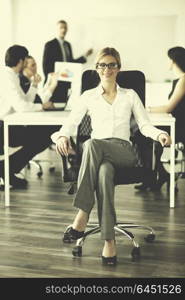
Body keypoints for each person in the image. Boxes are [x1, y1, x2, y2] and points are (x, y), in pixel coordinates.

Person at [51, 47, 171, 266]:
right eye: (102, 65)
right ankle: (109, 241)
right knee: (104, 171)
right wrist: (61, 137)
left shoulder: (129, 95)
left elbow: (144, 125)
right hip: (98, 155)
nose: (107, 69)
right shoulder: (88, 97)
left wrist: (160, 133)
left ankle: (82, 214)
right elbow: (69, 124)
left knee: (91, 144)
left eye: (112, 64)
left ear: (118, 68)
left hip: (124, 150)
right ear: (97, 69)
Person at [0, 45, 59, 188]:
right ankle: (6, 168)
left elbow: (26, 101)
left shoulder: (11, 75)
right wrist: (43, 106)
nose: (27, 63)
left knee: (47, 132)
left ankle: (7, 168)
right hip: (3, 128)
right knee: (46, 134)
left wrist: (34, 85)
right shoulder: (7, 76)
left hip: (10, 124)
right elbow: (22, 106)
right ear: (21, 61)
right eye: (26, 60)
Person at [136, 46, 185, 191]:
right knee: (145, 136)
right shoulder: (179, 80)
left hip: (180, 127)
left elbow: (169, 108)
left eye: (169, 59)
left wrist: (146, 109)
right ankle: (158, 175)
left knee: (141, 135)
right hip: (176, 123)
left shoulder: (183, 80)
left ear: (174, 61)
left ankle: (155, 175)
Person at [42, 20, 93, 102]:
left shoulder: (68, 45)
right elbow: (45, 66)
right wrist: (51, 82)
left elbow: (71, 63)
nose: (63, 30)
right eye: (61, 28)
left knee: (63, 107)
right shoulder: (50, 44)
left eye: (65, 28)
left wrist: (85, 55)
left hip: (66, 82)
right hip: (54, 84)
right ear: (57, 29)